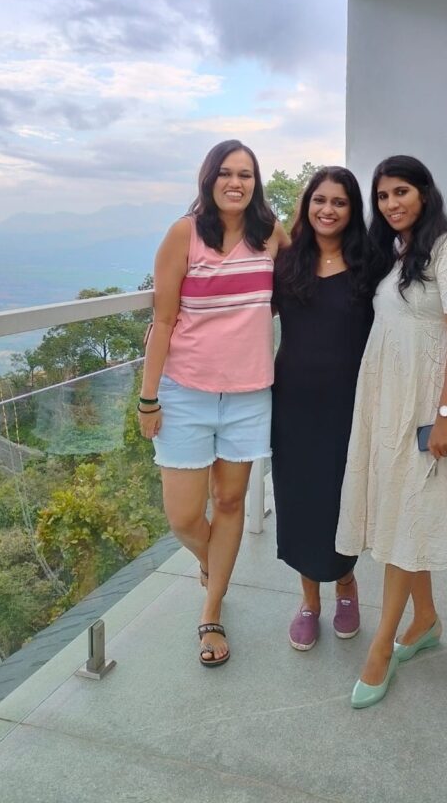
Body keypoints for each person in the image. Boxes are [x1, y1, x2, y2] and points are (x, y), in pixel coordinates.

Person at [335, 155, 447, 708]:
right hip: (388, 398)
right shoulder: (397, 252)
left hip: (428, 402)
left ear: (425, 192)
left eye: (401, 191)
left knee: (407, 514)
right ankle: (424, 619)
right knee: (406, 511)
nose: (391, 204)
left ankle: (381, 647)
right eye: (382, 196)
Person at [138, 139, 288, 668]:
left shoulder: (269, 234)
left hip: (249, 395)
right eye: (226, 173)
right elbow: (162, 321)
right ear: (209, 178)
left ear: (256, 183)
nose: (236, 182)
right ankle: (213, 565)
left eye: (245, 174)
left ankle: (211, 609)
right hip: (185, 393)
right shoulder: (184, 235)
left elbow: (311, 276)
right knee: (183, 517)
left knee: (229, 504)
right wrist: (148, 397)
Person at [271, 167, 373, 650]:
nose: (327, 210)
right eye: (319, 200)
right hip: (292, 403)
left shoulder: (370, 266)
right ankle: (309, 600)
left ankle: (346, 584)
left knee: (341, 496)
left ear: (352, 211)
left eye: (339, 202)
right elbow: (243, 314)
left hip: (350, 404)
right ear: (306, 205)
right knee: (300, 499)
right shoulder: (286, 263)